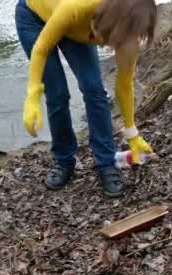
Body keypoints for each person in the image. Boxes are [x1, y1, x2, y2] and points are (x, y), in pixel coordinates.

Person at [15, 0, 157, 198]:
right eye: (111, 40)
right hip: (34, 18)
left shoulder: (129, 33)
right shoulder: (77, 7)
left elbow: (124, 86)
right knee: (57, 94)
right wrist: (33, 95)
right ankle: (64, 160)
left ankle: (106, 163)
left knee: (94, 90)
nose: (111, 47)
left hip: (77, 27)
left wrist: (132, 133)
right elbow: (41, 48)